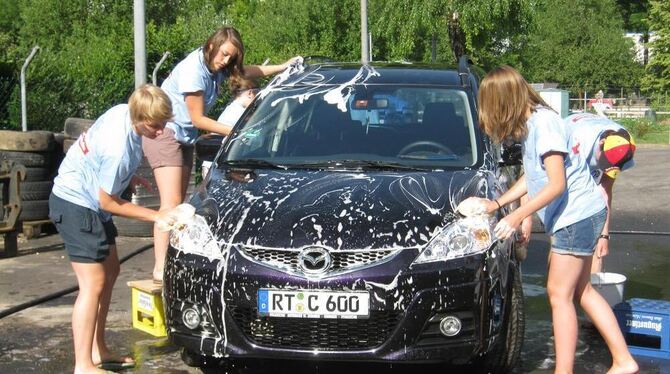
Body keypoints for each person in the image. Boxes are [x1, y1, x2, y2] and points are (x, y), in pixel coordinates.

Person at [471, 66, 638, 373]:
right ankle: (624, 360)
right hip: (582, 214)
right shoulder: (533, 123)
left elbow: (556, 184)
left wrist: (519, 215)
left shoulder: (544, 125)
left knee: (558, 294)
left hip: (576, 217)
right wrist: (497, 202)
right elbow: (534, 177)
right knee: (581, 291)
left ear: (503, 101)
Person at [142, 26, 301, 283]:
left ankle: (167, 264)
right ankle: (160, 269)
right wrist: (236, 131)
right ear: (211, 46)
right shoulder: (195, 71)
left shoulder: (215, 67)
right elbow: (198, 118)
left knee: (180, 204)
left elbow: (247, 71)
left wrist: (282, 67)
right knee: (171, 204)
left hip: (183, 137)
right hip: (165, 134)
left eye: (231, 57)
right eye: (224, 54)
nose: (226, 61)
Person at [49, 84, 179, 374]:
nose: (160, 132)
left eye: (164, 124)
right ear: (138, 117)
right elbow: (107, 202)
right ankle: (82, 364)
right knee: (92, 283)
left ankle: (98, 349)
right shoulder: (118, 148)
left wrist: (128, 177)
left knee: (111, 271)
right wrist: (156, 216)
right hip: (75, 204)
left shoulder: (123, 111)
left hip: (89, 202)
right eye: (154, 126)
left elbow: (95, 156)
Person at [565, 113, 636, 274]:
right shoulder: (577, 141)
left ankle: (594, 285)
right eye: (604, 162)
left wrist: (604, 236)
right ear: (601, 144)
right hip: (571, 153)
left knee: (595, 232)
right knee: (565, 234)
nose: (604, 167)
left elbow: (604, 191)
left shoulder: (625, 146)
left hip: (595, 147)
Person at [201, 77, 259, 178]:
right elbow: (247, 136)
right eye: (258, 94)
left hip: (218, 165)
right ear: (250, 93)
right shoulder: (238, 113)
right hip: (217, 167)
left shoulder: (234, 109)